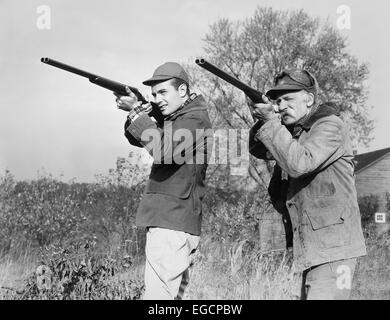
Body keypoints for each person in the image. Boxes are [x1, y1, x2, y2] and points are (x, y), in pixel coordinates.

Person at [248, 69, 367, 300]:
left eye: (288, 99)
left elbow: (299, 163)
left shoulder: (330, 126)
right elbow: (259, 149)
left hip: (335, 250)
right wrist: (262, 120)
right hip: (315, 249)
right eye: (278, 100)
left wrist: (271, 122)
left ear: (309, 99)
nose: (281, 106)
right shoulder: (296, 132)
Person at [114, 62, 212, 300]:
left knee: (159, 299)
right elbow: (137, 138)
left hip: (171, 222)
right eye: (154, 94)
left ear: (182, 91)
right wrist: (141, 113)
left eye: (163, 93)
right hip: (174, 220)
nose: (158, 99)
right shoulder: (180, 118)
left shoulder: (193, 119)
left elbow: (163, 151)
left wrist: (137, 111)